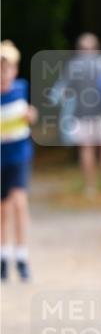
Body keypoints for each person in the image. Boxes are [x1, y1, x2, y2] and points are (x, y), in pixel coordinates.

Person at [52, 33, 101, 198]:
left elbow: (61, 91)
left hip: (82, 114)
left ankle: (90, 188)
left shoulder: (73, 66)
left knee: (87, 149)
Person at [1, 41, 38, 281]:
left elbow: (32, 113)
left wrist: (30, 115)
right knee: (3, 209)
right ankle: (4, 255)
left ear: (14, 70)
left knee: (19, 203)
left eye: (7, 69)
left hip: (19, 154)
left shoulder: (22, 88)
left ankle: (22, 256)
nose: (3, 74)